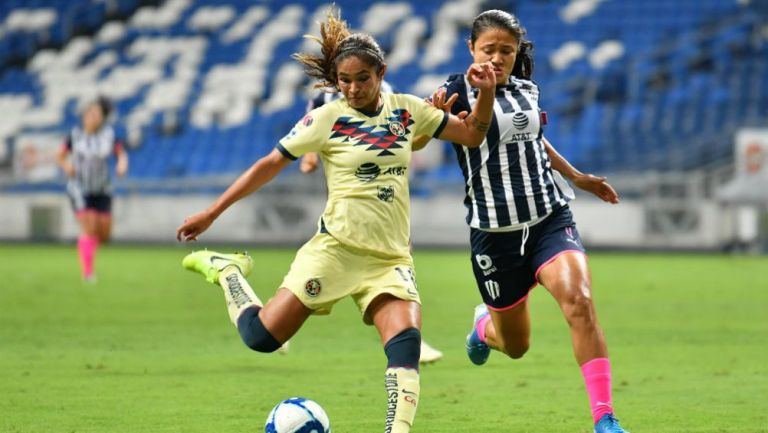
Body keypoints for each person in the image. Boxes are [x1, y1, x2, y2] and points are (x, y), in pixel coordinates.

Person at [176, 10, 496, 433]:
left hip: (389, 258)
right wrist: (213, 212)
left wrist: (487, 94)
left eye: (362, 78)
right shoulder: (326, 118)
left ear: (381, 72)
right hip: (335, 251)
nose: (352, 88)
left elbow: (472, 134)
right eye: (343, 80)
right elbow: (269, 164)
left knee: (406, 345)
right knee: (262, 339)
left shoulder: (409, 110)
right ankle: (228, 271)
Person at [420, 10, 629, 433]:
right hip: (495, 236)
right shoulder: (453, 91)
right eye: (489, 49)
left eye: (506, 51)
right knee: (515, 347)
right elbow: (420, 138)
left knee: (580, 302)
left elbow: (534, 139)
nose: (497, 58)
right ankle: (483, 328)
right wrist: (434, 119)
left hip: (548, 219)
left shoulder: (526, 89)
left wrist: (575, 177)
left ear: (517, 53)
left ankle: (604, 418)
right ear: (471, 49)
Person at [298, 81, 445, 365]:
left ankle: (408, 333)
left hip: (381, 187)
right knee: (336, 253)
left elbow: (397, 133)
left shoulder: (385, 91)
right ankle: (279, 323)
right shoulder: (323, 96)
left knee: (397, 252)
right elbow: (309, 127)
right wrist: (310, 155)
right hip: (344, 185)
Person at [56, 96, 128, 282]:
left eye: (98, 114)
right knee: (89, 225)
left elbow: (121, 153)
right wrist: (66, 166)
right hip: (80, 188)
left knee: (103, 234)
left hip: (103, 188)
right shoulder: (75, 135)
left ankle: (86, 245)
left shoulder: (108, 135)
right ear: (84, 117)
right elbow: (60, 156)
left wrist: (121, 165)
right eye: (92, 114)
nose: (95, 118)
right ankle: (88, 273)